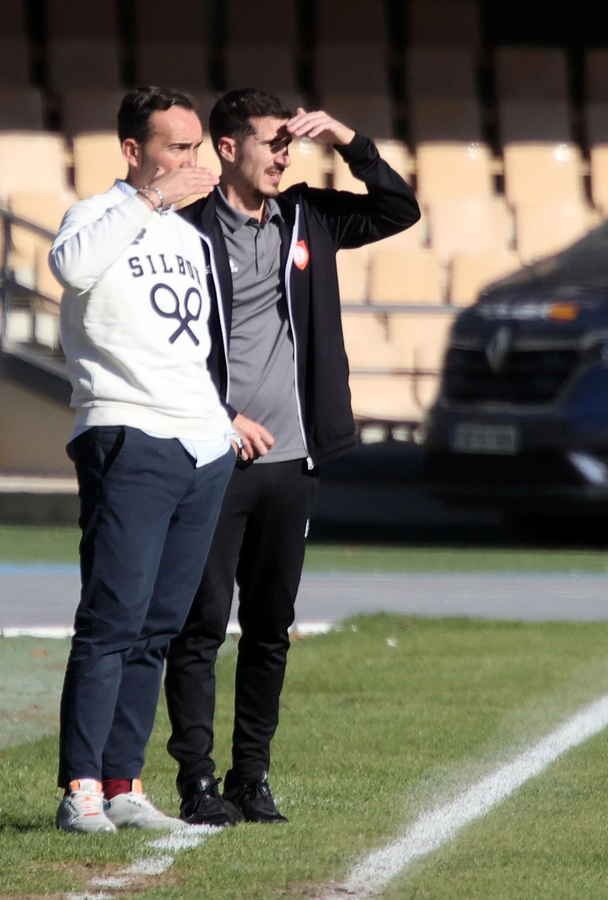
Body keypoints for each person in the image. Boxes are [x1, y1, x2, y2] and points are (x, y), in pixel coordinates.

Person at [164, 89, 419, 825]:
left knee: (270, 628)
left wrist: (346, 138)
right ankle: (197, 782)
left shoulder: (309, 216)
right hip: (213, 458)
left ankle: (251, 778)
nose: (282, 155)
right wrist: (218, 416)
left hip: (293, 463)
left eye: (290, 144)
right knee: (201, 626)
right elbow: (167, 349)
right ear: (226, 146)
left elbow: (399, 208)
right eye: (270, 142)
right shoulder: (186, 235)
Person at [46, 86, 239, 834]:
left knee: (159, 626)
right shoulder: (97, 215)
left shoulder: (191, 238)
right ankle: (81, 788)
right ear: (134, 150)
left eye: (197, 147)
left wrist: (221, 424)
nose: (194, 162)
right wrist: (149, 198)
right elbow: (71, 267)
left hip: (200, 445)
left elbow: (196, 346)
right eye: (177, 148)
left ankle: (124, 783)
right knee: (111, 619)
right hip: (128, 434)